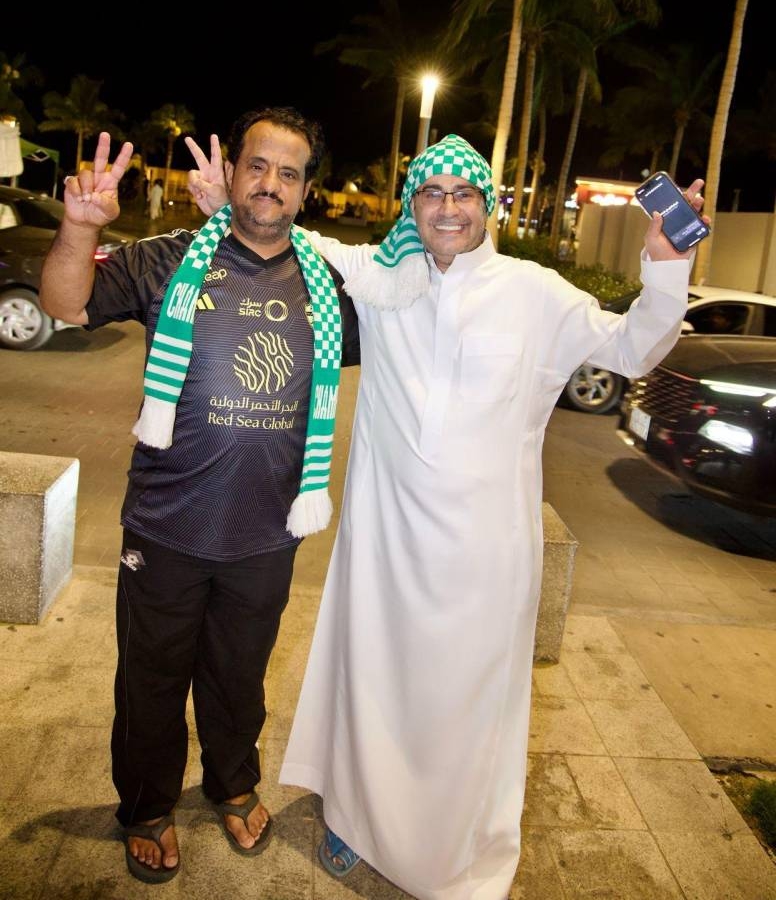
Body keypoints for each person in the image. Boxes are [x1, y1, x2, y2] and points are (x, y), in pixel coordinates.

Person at [187, 132, 703, 899]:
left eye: (465, 193)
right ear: (413, 206)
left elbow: (632, 349)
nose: (449, 207)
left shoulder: (535, 292)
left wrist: (666, 265)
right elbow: (289, 236)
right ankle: (355, 821)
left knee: (464, 716)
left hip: (486, 562)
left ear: (487, 205)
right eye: (432, 193)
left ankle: (453, 852)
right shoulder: (381, 279)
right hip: (387, 550)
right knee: (375, 690)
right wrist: (226, 205)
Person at [38, 107, 360, 885]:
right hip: (167, 525)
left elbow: (418, 321)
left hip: (267, 533)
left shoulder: (330, 285)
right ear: (233, 172)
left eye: (289, 173)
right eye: (258, 165)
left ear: (306, 191)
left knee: (238, 676)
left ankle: (232, 783)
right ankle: (147, 806)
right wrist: (79, 229)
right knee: (150, 680)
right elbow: (65, 305)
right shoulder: (168, 259)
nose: (271, 183)